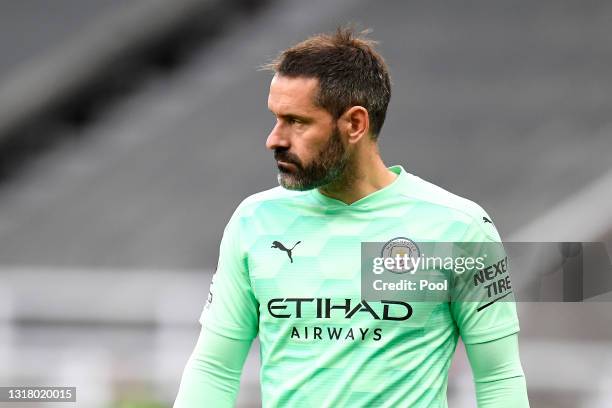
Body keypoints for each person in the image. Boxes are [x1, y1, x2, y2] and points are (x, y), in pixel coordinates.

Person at [174, 27, 529, 407]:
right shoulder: (254, 220)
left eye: (296, 121)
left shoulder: (459, 226)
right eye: (276, 118)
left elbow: (497, 376)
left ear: (355, 124)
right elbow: (215, 368)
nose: (274, 139)